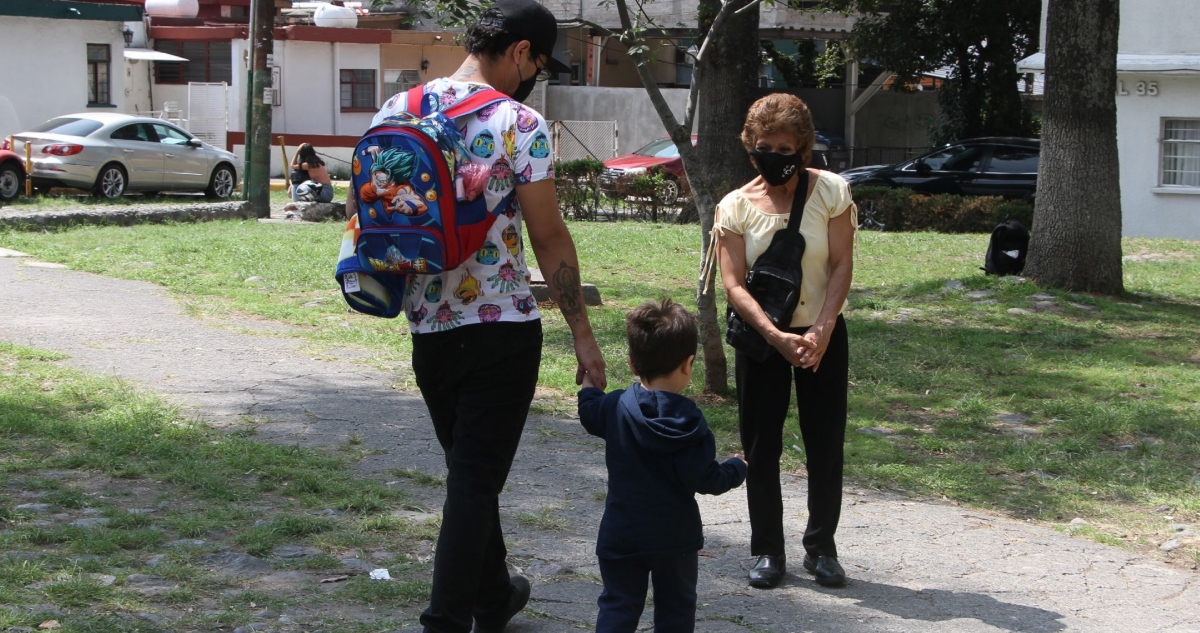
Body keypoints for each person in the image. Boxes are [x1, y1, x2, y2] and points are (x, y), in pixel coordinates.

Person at [355, 0, 608, 631]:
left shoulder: (398, 109)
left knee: (472, 474)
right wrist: (583, 335)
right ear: (522, 51)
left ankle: (495, 594)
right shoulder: (518, 122)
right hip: (501, 330)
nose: (535, 80)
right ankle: (446, 619)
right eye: (541, 67)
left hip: (428, 329)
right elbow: (550, 238)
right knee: (473, 482)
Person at [713, 93, 856, 589]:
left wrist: (823, 328)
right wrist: (774, 335)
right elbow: (732, 284)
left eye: (785, 146)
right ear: (751, 147)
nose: (775, 155)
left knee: (825, 442)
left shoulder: (832, 192)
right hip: (762, 340)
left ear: (804, 148)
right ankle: (767, 551)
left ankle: (821, 548)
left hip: (822, 336)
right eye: (764, 146)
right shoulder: (734, 206)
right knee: (761, 445)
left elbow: (841, 264)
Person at [578, 299, 746, 633]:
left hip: (621, 533)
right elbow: (707, 478)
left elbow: (589, 412)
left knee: (618, 604)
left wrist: (588, 386)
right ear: (689, 364)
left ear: (631, 363)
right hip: (674, 538)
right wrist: (736, 467)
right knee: (676, 610)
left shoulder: (615, 407)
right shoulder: (691, 424)